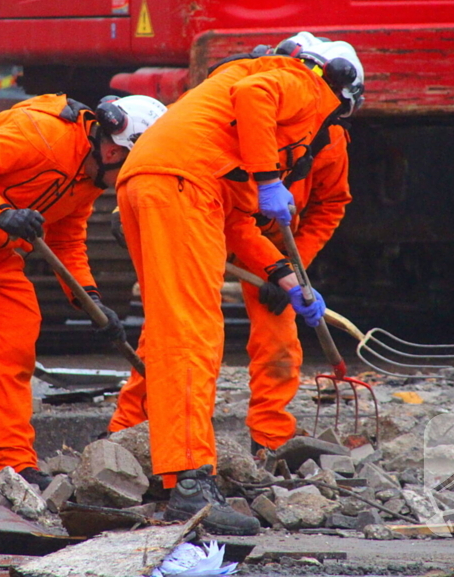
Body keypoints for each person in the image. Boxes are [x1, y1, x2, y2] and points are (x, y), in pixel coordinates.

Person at [109, 33, 362, 534]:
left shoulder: (236, 95)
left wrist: (289, 277)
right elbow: (256, 100)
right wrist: (270, 179)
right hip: (184, 186)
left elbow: (240, 227)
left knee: (169, 332)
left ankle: (169, 474)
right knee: (192, 335)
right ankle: (188, 482)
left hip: (157, 183)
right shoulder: (302, 82)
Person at [0, 93, 166, 500]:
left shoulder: (91, 175)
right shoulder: (39, 133)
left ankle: (12, 465)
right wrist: (1, 211)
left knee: (11, 358)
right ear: (114, 149)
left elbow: (69, 237)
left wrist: (90, 301)